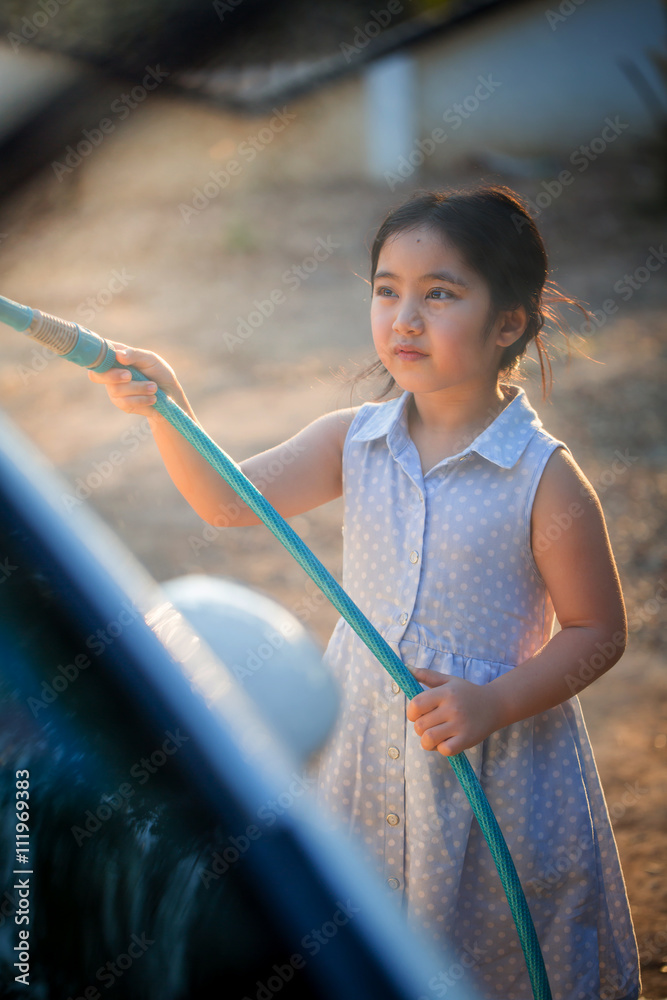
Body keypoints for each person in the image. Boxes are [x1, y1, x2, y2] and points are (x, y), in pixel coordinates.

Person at [90, 184, 641, 1000]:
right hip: (365, 747)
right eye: (386, 291)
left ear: (510, 324)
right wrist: (169, 405)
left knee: (485, 948)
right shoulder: (353, 440)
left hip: (494, 753)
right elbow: (226, 501)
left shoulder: (542, 479)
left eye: (439, 295)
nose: (403, 318)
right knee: (363, 939)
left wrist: (493, 703)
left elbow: (597, 630)